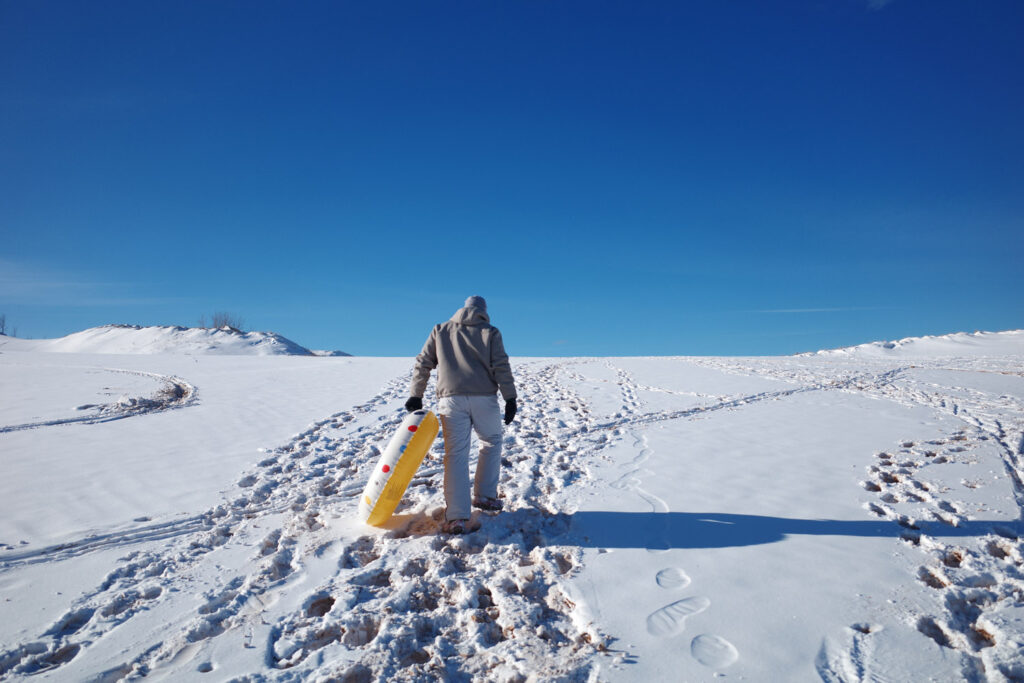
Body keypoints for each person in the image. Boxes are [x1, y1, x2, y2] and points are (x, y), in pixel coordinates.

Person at [405, 295, 517, 534]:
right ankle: (485, 496)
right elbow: (501, 365)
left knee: (455, 454)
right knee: (491, 441)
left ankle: (456, 516)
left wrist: (416, 394)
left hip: (450, 399)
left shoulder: (441, 330)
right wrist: (510, 398)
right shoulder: (491, 332)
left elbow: (423, 362)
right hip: (484, 399)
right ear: (483, 311)